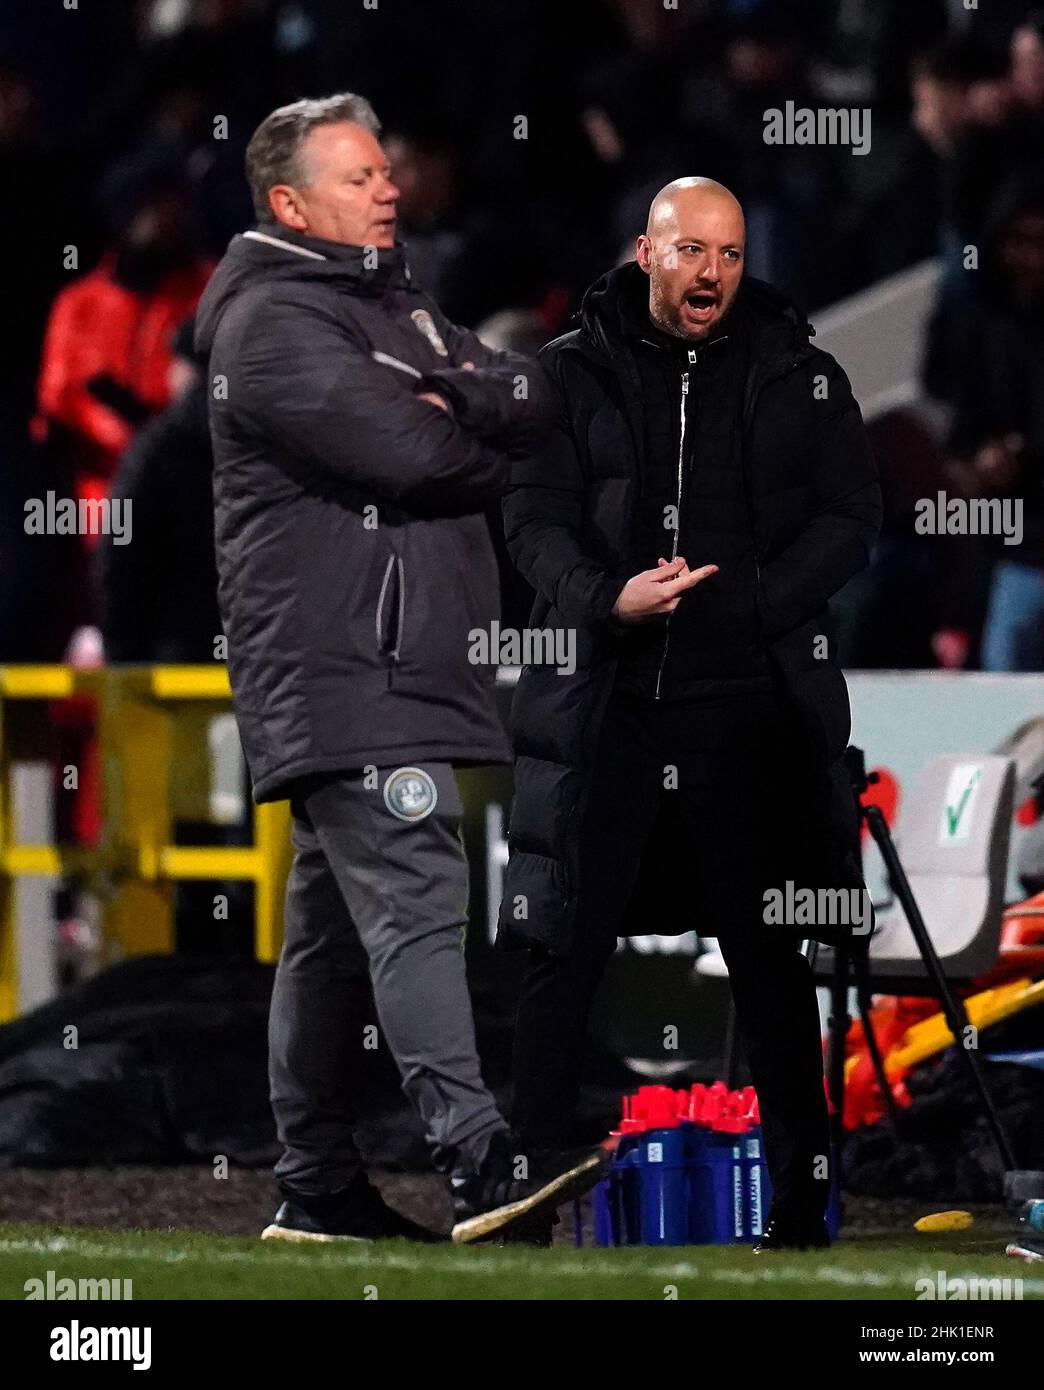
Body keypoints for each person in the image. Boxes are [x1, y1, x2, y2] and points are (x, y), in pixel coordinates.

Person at [194, 93, 608, 1245]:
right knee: (422, 900)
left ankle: (316, 1185)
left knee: (330, 936)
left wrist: (465, 394)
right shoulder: (275, 324)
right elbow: (422, 456)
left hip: (390, 666)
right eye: (360, 174)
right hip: (350, 666)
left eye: (388, 169)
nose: (390, 185)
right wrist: (466, 416)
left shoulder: (391, 304)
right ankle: (477, 1157)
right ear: (290, 204)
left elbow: (534, 391)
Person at [499, 177, 882, 1251]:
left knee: (772, 964)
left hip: (748, 717)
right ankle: (520, 1197)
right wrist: (601, 599)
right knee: (560, 947)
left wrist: (760, 602)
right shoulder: (566, 373)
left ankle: (805, 1213)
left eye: (729, 252)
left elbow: (857, 516)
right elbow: (529, 518)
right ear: (645, 253)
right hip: (607, 712)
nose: (712, 271)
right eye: (690, 251)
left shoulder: (801, 373)